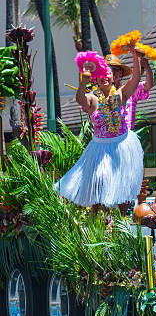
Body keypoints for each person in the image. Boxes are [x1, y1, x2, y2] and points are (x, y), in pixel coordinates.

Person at [56, 46, 144, 216]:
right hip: (100, 147)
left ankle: (121, 223)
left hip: (122, 145)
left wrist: (135, 56)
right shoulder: (93, 99)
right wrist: (83, 79)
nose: (104, 77)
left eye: (108, 74)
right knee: (99, 180)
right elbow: (80, 99)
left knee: (122, 184)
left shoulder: (120, 95)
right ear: (96, 79)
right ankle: (96, 221)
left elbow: (136, 79)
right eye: (101, 76)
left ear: (112, 77)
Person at [105, 53, 154, 130]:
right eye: (109, 70)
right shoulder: (99, 94)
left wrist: (147, 66)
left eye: (115, 70)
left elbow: (149, 84)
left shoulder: (130, 89)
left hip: (127, 136)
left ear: (120, 73)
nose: (112, 73)